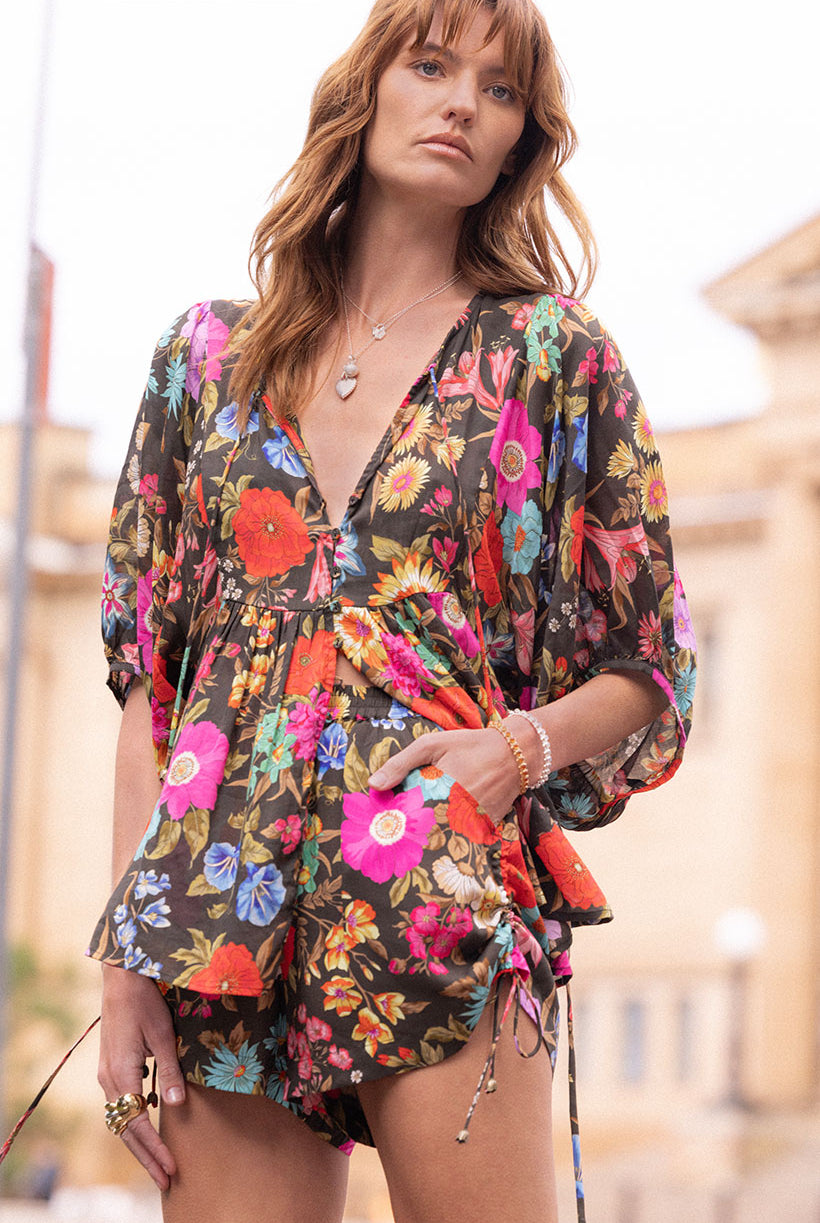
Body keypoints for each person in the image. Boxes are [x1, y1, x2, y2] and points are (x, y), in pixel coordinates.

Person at [90, 1, 696, 1220]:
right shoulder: (206, 362)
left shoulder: (554, 360)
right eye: (430, 65)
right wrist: (125, 962)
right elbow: (156, 686)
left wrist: (511, 752)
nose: (463, 101)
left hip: (434, 895)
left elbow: (651, 663)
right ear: (367, 87)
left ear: (523, 138)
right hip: (216, 912)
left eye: (501, 87)